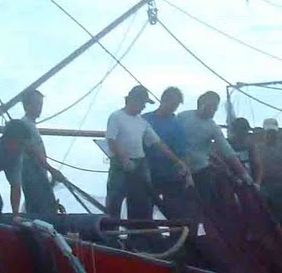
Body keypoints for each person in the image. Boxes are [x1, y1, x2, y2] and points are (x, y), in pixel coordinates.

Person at [105, 84, 187, 219]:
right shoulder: (116, 116)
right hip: (120, 165)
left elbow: (158, 143)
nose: (144, 107)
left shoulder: (142, 121)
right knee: (115, 201)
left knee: (139, 201)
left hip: (140, 165)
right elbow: (111, 140)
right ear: (133, 100)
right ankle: (111, 229)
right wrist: (124, 159)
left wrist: (177, 161)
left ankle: (137, 230)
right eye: (143, 103)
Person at [175, 91, 250, 203]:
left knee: (205, 204)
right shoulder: (182, 117)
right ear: (201, 103)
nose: (214, 110)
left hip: (200, 171)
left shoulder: (213, 127)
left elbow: (228, 151)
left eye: (215, 107)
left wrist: (244, 174)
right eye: (211, 106)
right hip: (179, 169)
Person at [144, 86, 198, 221]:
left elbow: (182, 153)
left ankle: (176, 231)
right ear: (163, 100)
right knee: (144, 210)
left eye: (176, 105)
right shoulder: (145, 120)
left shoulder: (177, 126)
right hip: (147, 172)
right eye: (172, 104)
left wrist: (187, 174)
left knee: (174, 212)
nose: (173, 108)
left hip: (169, 174)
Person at [16, 89, 62, 219]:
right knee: (41, 209)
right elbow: (34, 152)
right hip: (32, 174)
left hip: (38, 173)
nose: (39, 108)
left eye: (40, 104)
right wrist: (52, 170)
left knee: (45, 205)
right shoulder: (25, 125)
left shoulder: (30, 125)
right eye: (36, 104)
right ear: (26, 105)